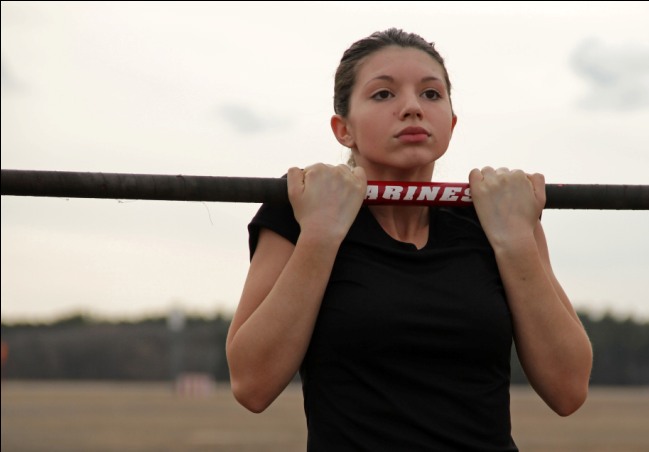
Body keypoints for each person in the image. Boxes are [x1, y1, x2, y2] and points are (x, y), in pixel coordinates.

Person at [226, 28, 593, 451]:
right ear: (343, 129)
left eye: (431, 95)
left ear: (451, 124)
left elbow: (568, 390)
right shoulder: (300, 212)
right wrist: (321, 235)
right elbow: (251, 385)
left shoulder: (500, 217)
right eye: (383, 95)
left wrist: (515, 240)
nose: (412, 108)